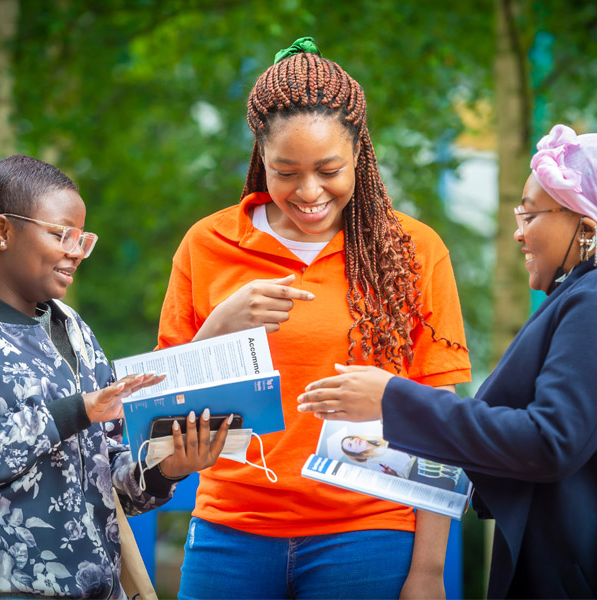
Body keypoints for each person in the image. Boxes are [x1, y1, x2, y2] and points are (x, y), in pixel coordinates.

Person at [298, 124, 597, 598]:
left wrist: (391, 399)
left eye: (530, 214)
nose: (519, 232)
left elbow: (549, 441)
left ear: (588, 227)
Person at [156, 37, 471, 599]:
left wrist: (428, 571)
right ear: (260, 157)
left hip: (370, 533)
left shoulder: (413, 250)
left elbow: (439, 416)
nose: (308, 192)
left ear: (360, 155)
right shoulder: (207, 244)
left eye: (329, 170)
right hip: (231, 531)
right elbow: (160, 411)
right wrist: (219, 326)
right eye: (286, 172)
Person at [0, 155, 229, 599]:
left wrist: (167, 467)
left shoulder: (74, 330)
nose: (76, 251)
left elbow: (115, 474)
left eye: (83, 239)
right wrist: (73, 412)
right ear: (2, 231)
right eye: (62, 234)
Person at [340, 435, 414, 478]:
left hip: (417, 459)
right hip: (413, 473)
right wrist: (393, 475)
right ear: (355, 454)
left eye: (352, 439)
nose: (354, 441)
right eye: (350, 444)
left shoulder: (380, 440)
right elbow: (397, 480)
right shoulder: (372, 463)